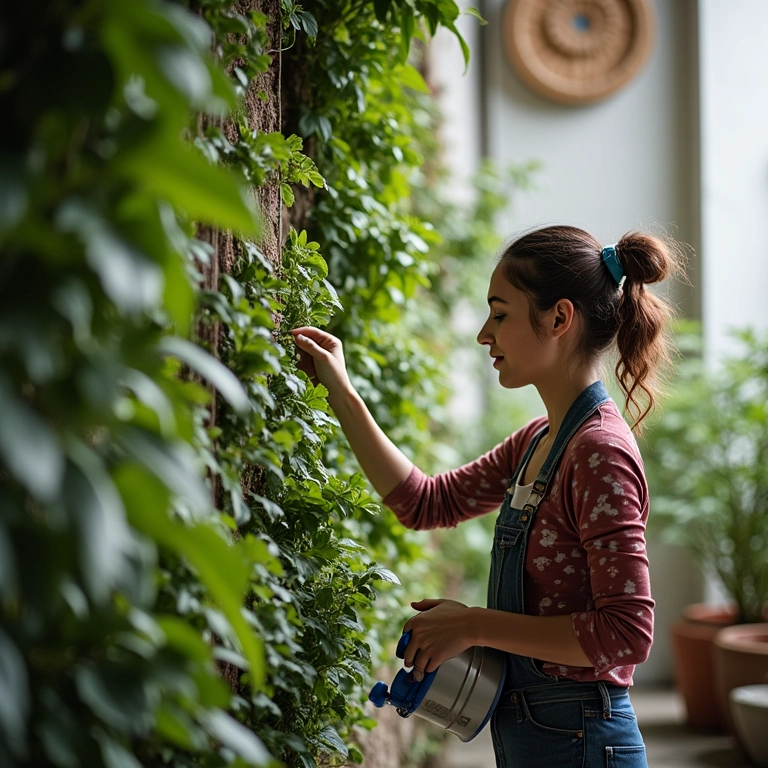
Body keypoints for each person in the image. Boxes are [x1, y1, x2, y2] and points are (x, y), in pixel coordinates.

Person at [291, 224, 682, 768]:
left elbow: (626, 634)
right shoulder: (539, 441)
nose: (483, 334)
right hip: (538, 740)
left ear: (559, 319)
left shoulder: (599, 452)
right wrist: (342, 391)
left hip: (585, 744)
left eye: (499, 314)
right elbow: (424, 503)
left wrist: (473, 625)